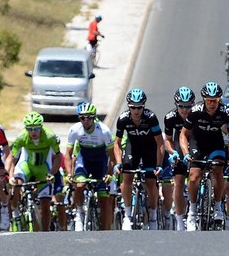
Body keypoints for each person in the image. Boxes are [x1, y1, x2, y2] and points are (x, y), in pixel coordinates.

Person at [180, 82, 229, 231]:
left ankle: (217, 206)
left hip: (215, 143)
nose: (212, 104)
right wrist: (185, 153)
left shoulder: (225, 111)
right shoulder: (195, 111)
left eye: (215, 100)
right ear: (204, 100)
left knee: (218, 170)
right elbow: (183, 134)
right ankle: (192, 211)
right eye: (209, 100)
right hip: (197, 142)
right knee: (194, 176)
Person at [114, 88, 164, 231]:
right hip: (133, 148)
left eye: (139, 107)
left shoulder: (151, 117)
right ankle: (128, 215)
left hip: (149, 149)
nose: (136, 111)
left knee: (150, 182)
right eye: (133, 107)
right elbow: (117, 143)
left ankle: (153, 216)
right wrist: (118, 162)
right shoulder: (123, 119)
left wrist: (159, 165)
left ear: (144, 106)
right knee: (127, 178)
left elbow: (160, 143)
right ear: (129, 106)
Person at [7, 111, 62, 231]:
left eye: (36, 128)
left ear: (41, 126)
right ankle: (15, 213)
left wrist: (52, 173)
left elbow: (59, 157)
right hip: (27, 166)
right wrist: (10, 176)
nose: (33, 132)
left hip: (44, 168)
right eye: (29, 129)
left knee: (45, 204)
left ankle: (45, 233)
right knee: (16, 183)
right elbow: (12, 158)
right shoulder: (21, 137)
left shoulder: (50, 136)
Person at [65, 102, 115, 231]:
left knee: (104, 200)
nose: (86, 121)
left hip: (101, 164)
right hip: (84, 161)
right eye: (82, 118)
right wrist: (69, 174)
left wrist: (109, 174)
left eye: (89, 117)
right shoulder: (75, 129)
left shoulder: (104, 131)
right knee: (79, 185)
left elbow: (112, 157)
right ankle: (79, 213)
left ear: (94, 117)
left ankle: (105, 232)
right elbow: (68, 154)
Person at [164, 86, 195, 231]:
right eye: (181, 106)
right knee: (178, 182)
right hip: (178, 145)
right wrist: (173, 152)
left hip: (196, 143)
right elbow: (168, 140)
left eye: (188, 106)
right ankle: (180, 219)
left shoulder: (197, 114)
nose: (184, 110)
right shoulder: (170, 117)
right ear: (176, 104)